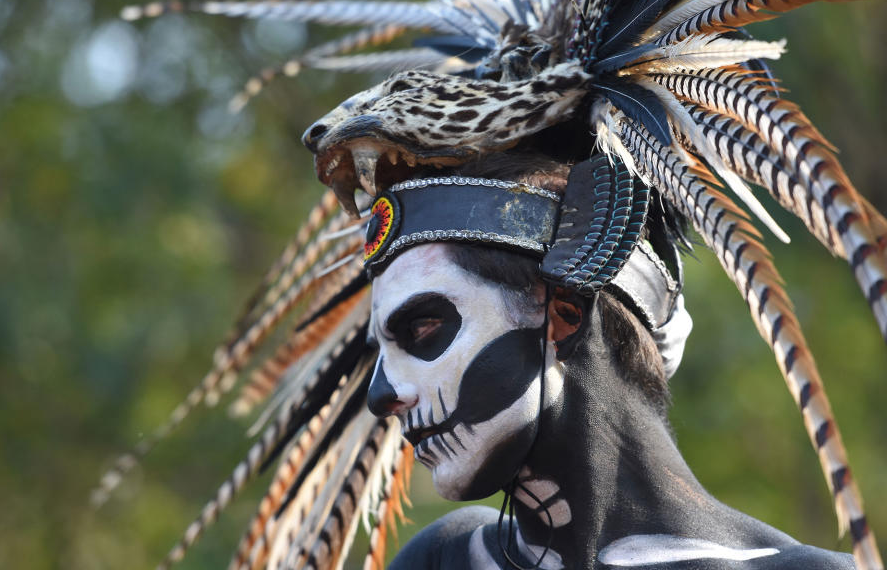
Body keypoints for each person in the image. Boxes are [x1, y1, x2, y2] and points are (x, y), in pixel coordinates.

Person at [362, 161, 857, 569]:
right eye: (381, 351)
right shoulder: (447, 559)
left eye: (421, 329)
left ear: (564, 315)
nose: (381, 393)